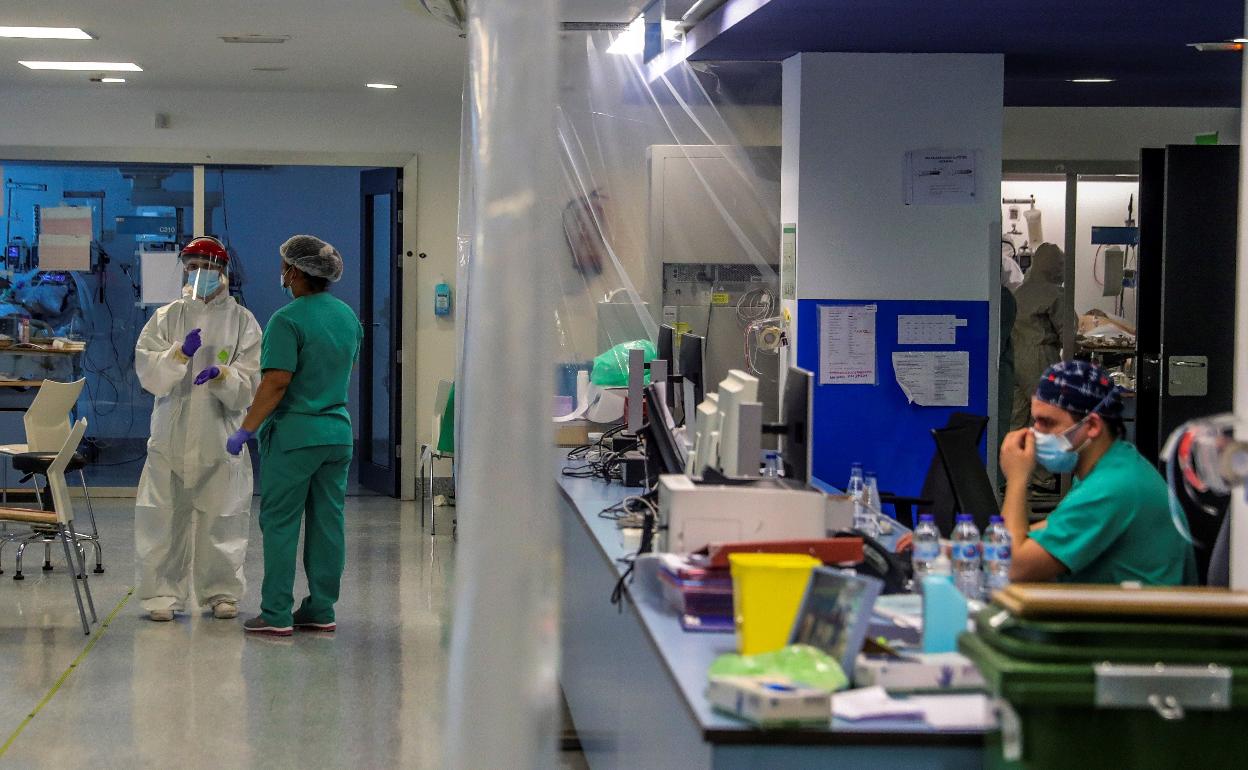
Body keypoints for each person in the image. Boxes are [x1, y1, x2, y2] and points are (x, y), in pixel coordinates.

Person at [228, 235, 362, 637]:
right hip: (337, 434)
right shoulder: (347, 317)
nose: (282, 274)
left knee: (282, 523)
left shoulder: (287, 320)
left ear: (296, 272)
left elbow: (276, 383)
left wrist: (245, 429)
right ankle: (321, 608)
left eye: (286, 267)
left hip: (296, 436)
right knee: (327, 523)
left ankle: (276, 613)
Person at [135, 236, 262, 621]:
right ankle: (161, 596)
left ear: (223, 272)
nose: (197, 274)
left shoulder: (243, 321)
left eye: (205, 267)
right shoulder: (166, 317)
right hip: (171, 431)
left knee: (222, 515)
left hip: (219, 430)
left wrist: (223, 375)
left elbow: (250, 380)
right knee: (162, 515)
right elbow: (148, 371)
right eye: (190, 267)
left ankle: (221, 593)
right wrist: (178, 354)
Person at [998, 360, 1196, 585]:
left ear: (1092, 425)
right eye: (1036, 421)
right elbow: (1047, 534)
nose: (1035, 434)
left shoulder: (1112, 488)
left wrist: (1016, 479)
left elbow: (1013, 567)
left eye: (1047, 423)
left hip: (1136, 618)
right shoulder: (1113, 465)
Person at [1010, 243, 1067, 432]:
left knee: (1017, 419)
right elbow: (1068, 332)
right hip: (1040, 358)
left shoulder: (1020, 291)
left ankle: (1012, 460)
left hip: (1015, 358)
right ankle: (1039, 462)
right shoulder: (1054, 293)